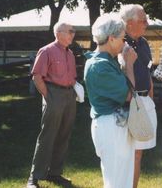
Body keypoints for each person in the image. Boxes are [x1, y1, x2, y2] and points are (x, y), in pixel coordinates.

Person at [84, 13, 137, 188]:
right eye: (123, 38)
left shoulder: (107, 61)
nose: (125, 42)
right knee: (117, 182)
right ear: (112, 39)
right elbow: (130, 95)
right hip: (111, 127)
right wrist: (128, 64)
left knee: (123, 179)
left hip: (115, 124)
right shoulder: (99, 66)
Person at [27, 21, 77, 188]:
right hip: (53, 94)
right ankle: (34, 178)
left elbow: (72, 77)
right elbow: (36, 77)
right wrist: (49, 97)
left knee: (64, 135)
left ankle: (54, 173)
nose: (73, 34)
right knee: (48, 136)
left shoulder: (70, 54)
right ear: (59, 33)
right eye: (70, 31)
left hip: (69, 95)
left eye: (73, 31)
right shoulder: (46, 50)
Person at [119, 4, 157, 188]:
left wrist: (150, 97)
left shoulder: (143, 43)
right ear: (129, 23)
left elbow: (148, 71)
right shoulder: (117, 44)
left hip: (143, 101)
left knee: (139, 151)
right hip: (125, 103)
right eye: (143, 20)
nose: (147, 23)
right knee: (125, 151)